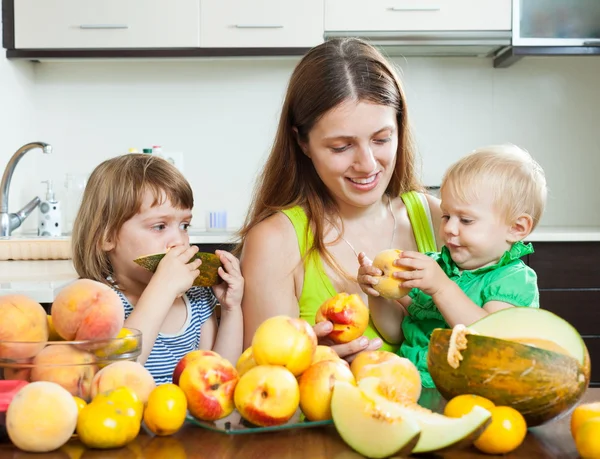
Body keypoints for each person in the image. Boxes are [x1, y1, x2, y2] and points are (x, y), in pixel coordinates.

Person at [236, 37, 442, 360]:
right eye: (341, 147)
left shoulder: (436, 218)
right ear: (302, 142)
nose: (367, 165)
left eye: (381, 139)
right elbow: (261, 380)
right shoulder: (275, 241)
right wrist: (308, 362)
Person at [358, 144, 548, 387]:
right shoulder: (436, 266)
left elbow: (489, 340)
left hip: (469, 397)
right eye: (446, 216)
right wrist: (378, 294)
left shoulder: (513, 280)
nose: (448, 228)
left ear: (517, 228)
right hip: (412, 387)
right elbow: (395, 331)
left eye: (466, 220)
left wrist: (441, 289)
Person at [71, 154, 244, 385]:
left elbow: (218, 379)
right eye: (160, 226)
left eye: (184, 225)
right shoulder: (100, 303)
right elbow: (115, 377)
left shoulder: (197, 299)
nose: (179, 241)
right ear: (107, 236)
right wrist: (162, 288)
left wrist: (232, 309)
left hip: (188, 422)